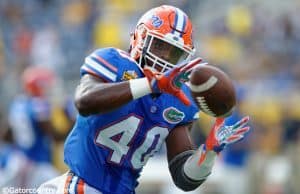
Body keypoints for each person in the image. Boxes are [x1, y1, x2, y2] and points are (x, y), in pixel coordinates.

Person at [38, 5, 250, 194]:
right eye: (159, 46)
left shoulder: (180, 100)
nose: (164, 58)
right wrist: (150, 85)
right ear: (140, 37)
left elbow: (183, 179)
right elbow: (85, 101)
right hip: (81, 185)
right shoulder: (114, 62)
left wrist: (208, 153)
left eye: (174, 53)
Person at [8, 66, 60, 188]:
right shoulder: (39, 105)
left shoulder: (18, 103)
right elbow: (55, 136)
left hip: (19, 160)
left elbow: (7, 134)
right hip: (38, 163)